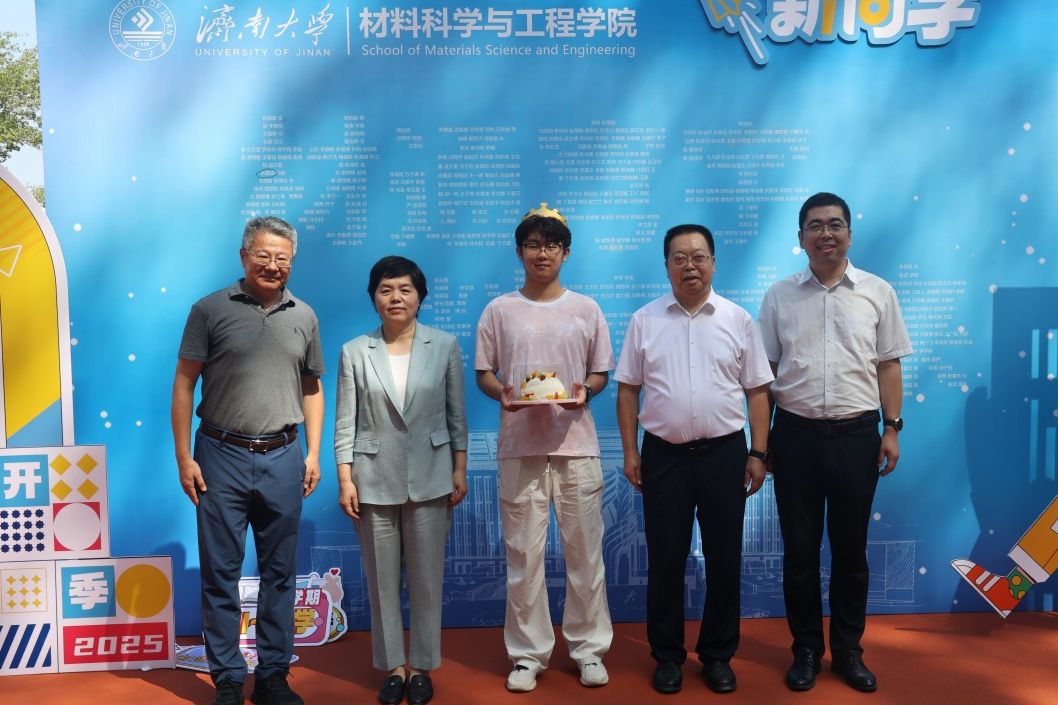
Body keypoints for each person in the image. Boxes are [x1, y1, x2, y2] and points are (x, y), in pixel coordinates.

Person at [758, 192, 912, 693]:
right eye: (815, 225)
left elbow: (888, 365)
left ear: (849, 233)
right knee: (799, 554)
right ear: (800, 237)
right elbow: (765, 374)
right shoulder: (779, 296)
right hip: (796, 437)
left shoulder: (877, 292)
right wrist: (763, 442)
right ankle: (805, 650)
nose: (826, 233)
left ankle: (848, 650)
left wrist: (892, 427)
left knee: (851, 552)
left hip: (856, 436)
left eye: (835, 224)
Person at [171, 216, 324, 705]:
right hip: (220, 456)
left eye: (283, 258)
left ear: (291, 263)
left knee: (280, 572)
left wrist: (313, 452)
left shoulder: (305, 315)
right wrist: (183, 456)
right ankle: (229, 678)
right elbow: (184, 384)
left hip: (284, 454)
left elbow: (312, 387)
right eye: (264, 255)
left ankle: (274, 674)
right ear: (244, 256)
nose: (273, 265)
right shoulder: (209, 309)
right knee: (221, 572)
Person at [615, 224, 773, 695]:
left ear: (714, 263)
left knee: (725, 558)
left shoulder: (737, 319)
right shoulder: (645, 320)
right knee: (665, 558)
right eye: (680, 258)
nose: (690, 266)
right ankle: (667, 656)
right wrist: (631, 451)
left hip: (725, 453)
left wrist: (758, 452)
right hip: (664, 455)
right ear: (666, 265)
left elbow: (757, 392)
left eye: (699, 256)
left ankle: (718, 655)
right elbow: (628, 391)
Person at [474, 203, 614, 692]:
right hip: (520, 447)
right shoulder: (499, 310)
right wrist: (504, 394)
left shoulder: (587, 309)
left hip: (577, 445)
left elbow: (600, 372)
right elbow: (485, 373)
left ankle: (589, 650)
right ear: (519, 252)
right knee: (524, 558)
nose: (542, 253)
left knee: (585, 555)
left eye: (551, 245)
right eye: (533, 244)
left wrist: (585, 392)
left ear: (565, 252)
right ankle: (527, 655)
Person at [334, 256, 469, 705]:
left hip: (432, 475)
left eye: (405, 289)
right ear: (374, 296)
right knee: (382, 582)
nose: (396, 297)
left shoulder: (444, 345)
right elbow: (346, 422)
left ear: (420, 296)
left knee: (428, 581)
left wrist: (459, 468)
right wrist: (345, 478)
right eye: (386, 289)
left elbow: (456, 415)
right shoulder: (355, 351)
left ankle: (423, 667)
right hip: (373, 479)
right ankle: (394, 667)